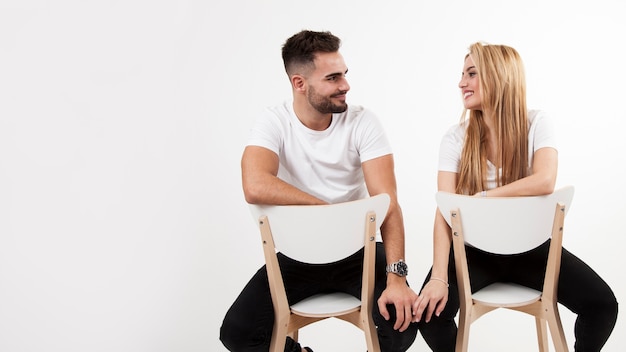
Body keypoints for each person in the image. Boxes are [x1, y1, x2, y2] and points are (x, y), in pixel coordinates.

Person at [219, 30, 419, 352]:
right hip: (299, 256)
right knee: (238, 333)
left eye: (345, 74)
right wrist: (327, 211)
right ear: (300, 83)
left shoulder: (363, 122)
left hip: (360, 254)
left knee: (401, 327)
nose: (345, 85)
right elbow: (255, 184)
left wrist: (396, 278)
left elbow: (388, 203)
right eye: (333, 78)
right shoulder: (273, 122)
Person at [412, 42, 618, 351]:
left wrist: (482, 198)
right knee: (429, 314)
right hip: (473, 254)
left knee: (602, 304)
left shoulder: (537, 123)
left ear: (498, 77)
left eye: (471, 73)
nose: (461, 83)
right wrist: (439, 276)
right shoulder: (455, 138)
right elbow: (444, 210)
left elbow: (545, 180)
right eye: (462, 74)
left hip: (531, 250)